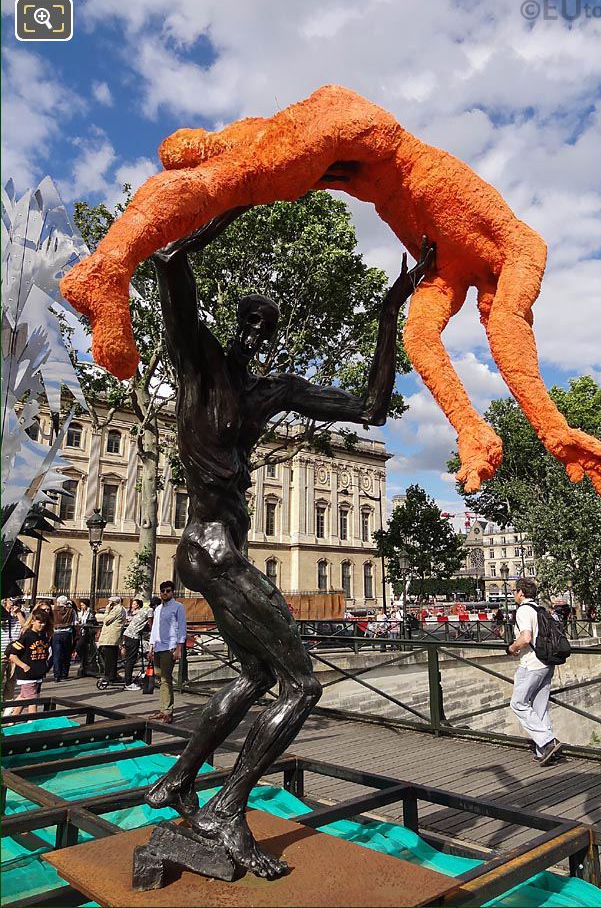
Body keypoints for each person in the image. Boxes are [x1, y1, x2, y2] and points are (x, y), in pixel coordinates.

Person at [141, 215, 433, 880]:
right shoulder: (199, 362)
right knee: (302, 684)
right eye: (245, 320)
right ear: (231, 323)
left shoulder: (270, 393)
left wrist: (391, 309)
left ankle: (178, 781)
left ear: (269, 339)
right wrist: (246, 195)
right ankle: (225, 806)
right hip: (209, 548)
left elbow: (369, 407)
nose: (252, 334)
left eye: (262, 328)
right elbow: (168, 263)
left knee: (253, 676)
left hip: (224, 547)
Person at [508, 578, 562, 766]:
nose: (514, 594)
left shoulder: (523, 610)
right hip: (547, 663)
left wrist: (513, 648)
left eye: (515, 591)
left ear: (521, 593)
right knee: (540, 708)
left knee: (518, 704)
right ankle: (544, 752)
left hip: (531, 664)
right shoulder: (540, 609)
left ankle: (547, 742)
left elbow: (526, 637)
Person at [148, 581, 186, 722]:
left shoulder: (178, 607)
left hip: (169, 647)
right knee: (159, 677)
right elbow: (155, 629)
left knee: (165, 678)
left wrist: (178, 648)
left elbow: (182, 627)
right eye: (162, 590)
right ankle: (163, 709)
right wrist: (151, 647)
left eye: (168, 590)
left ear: (173, 592)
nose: (165, 593)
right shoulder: (158, 609)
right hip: (158, 646)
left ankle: (168, 711)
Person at [4, 608, 53, 717]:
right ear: (32, 621)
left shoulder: (43, 635)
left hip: (37, 672)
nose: (42, 625)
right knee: (32, 699)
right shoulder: (27, 636)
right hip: (27, 674)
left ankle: (11, 719)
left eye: (44, 622)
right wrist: (24, 666)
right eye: (40, 622)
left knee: (24, 697)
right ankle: (32, 721)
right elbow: (12, 655)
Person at [122, 598, 150, 691]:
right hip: (133, 636)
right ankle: (128, 683)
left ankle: (127, 681)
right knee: (131, 659)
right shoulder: (150, 611)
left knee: (129, 659)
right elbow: (151, 624)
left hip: (128, 635)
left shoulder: (142, 611)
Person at [97, 596, 126, 684]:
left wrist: (107, 610)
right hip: (109, 637)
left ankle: (110, 676)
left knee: (110, 658)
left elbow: (106, 620)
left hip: (111, 637)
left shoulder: (117, 609)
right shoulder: (116, 609)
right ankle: (110, 675)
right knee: (108, 657)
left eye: (109, 602)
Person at [52, 595, 76, 682]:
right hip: (67, 633)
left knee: (56, 655)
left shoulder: (54, 610)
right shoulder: (71, 610)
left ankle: (56, 675)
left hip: (56, 632)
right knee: (66, 654)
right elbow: (75, 622)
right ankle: (64, 674)